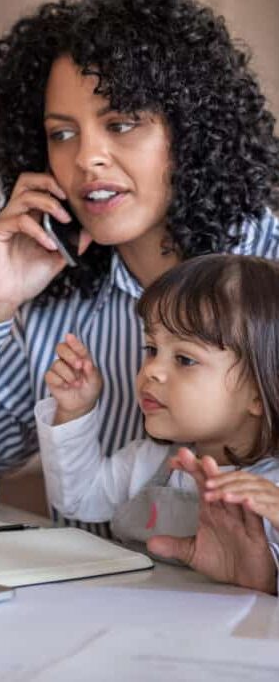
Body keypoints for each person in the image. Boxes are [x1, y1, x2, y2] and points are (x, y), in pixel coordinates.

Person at [0, 0, 279, 519]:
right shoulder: (55, 313)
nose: (85, 158)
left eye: (121, 124)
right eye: (62, 134)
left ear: (192, 131)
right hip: (97, 600)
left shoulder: (272, 272)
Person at [36, 254, 279, 593]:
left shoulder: (273, 497)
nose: (151, 369)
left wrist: (264, 580)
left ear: (259, 391)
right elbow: (79, 498)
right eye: (151, 348)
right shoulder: (150, 462)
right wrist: (74, 412)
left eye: (184, 359)